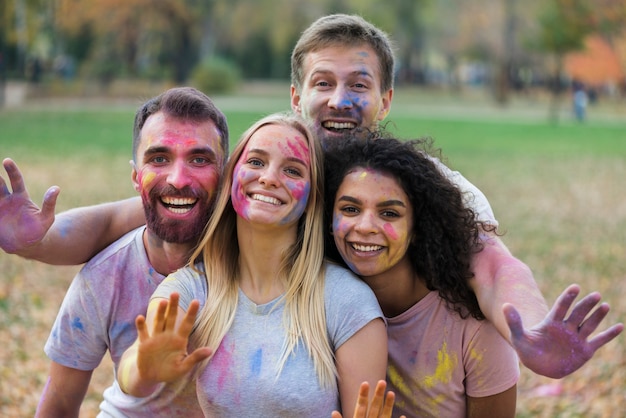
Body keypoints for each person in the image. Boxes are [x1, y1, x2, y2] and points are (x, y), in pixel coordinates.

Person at [0, 13, 622, 379]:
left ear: (386, 101)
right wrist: (37, 240)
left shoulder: (427, 185)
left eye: (360, 83)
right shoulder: (268, 176)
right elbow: (121, 217)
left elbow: (493, 264)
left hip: (401, 388)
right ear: (297, 97)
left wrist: (530, 327)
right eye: (322, 82)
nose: (340, 99)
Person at [116, 112, 387, 416]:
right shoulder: (191, 288)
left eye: (293, 171)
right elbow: (131, 373)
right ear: (231, 176)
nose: (269, 178)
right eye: (256, 162)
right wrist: (143, 368)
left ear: (313, 196)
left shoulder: (347, 301)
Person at [34, 87, 230, 417]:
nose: (178, 179)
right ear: (136, 177)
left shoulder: (254, 260)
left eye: (199, 159)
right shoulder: (104, 275)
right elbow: (60, 401)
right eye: (159, 159)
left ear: (224, 173)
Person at [324, 133, 521, 417]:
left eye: (389, 213)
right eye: (350, 209)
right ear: (329, 220)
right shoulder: (321, 300)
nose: (365, 226)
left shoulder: (473, 324)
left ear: (418, 227)